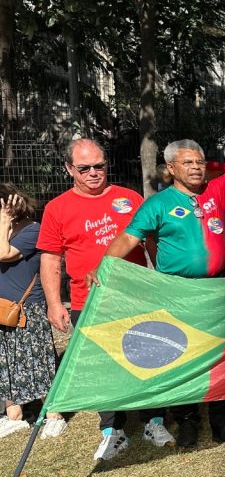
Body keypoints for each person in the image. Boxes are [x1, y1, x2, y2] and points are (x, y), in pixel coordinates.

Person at [99, 110, 225, 448]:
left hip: (214, 289)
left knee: (219, 356)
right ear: (171, 168)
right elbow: (129, 238)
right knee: (182, 356)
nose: (197, 167)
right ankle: (187, 422)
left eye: (199, 161)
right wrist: (104, 267)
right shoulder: (158, 204)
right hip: (176, 292)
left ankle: (222, 422)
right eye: (188, 163)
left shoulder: (216, 191)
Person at [37, 138, 169, 459]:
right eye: (85, 168)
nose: (94, 173)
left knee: (149, 358)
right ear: (69, 169)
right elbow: (51, 260)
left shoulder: (130, 198)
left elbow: (150, 240)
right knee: (104, 367)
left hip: (136, 296)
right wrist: (55, 303)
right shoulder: (57, 209)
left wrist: (163, 277)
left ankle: (154, 420)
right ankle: (113, 431)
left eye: (99, 165)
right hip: (90, 301)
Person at [0, 186, 67, 439]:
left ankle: (54, 415)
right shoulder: (5, 232)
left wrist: (4, 222)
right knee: (6, 364)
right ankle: (14, 415)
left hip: (28, 309)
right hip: (3, 310)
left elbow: (3, 253)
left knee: (39, 362)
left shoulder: (32, 231)